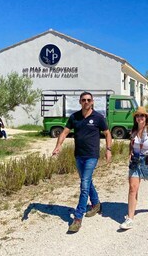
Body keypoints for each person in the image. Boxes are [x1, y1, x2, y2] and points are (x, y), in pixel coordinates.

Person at [52, 91, 112, 233]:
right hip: (79, 155)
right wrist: (58, 146)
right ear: (80, 102)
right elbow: (65, 132)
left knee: (84, 185)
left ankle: (78, 218)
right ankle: (96, 204)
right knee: (87, 181)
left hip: (92, 155)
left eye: (88, 100)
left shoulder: (98, 117)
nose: (86, 102)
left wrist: (108, 149)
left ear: (92, 102)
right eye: (83, 100)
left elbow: (107, 133)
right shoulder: (74, 117)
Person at [120, 106, 148, 230]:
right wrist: (130, 153)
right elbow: (132, 144)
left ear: (146, 117)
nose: (140, 118)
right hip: (135, 162)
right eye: (138, 116)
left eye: (142, 116)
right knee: (133, 188)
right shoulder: (133, 130)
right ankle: (130, 218)